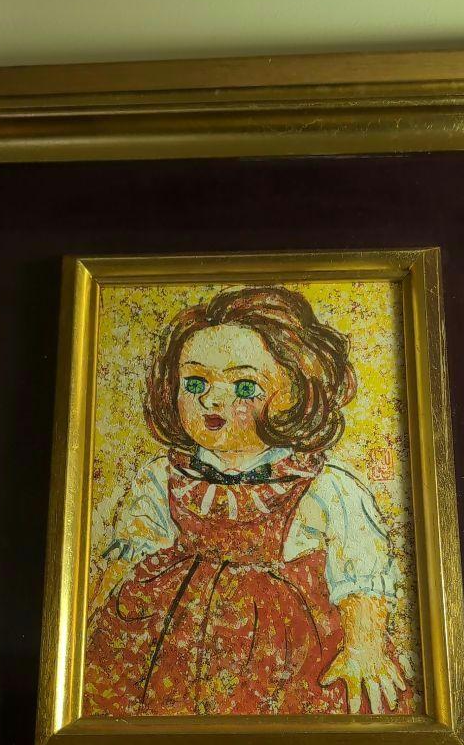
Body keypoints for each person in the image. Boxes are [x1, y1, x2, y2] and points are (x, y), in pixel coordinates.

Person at [83, 285, 413, 717]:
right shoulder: (162, 477)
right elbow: (126, 560)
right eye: (196, 382)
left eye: (243, 385)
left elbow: (360, 576)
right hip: (169, 643)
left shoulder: (325, 485)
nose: (211, 399)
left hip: (288, 649)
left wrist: (364, 647)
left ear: (295, 393)